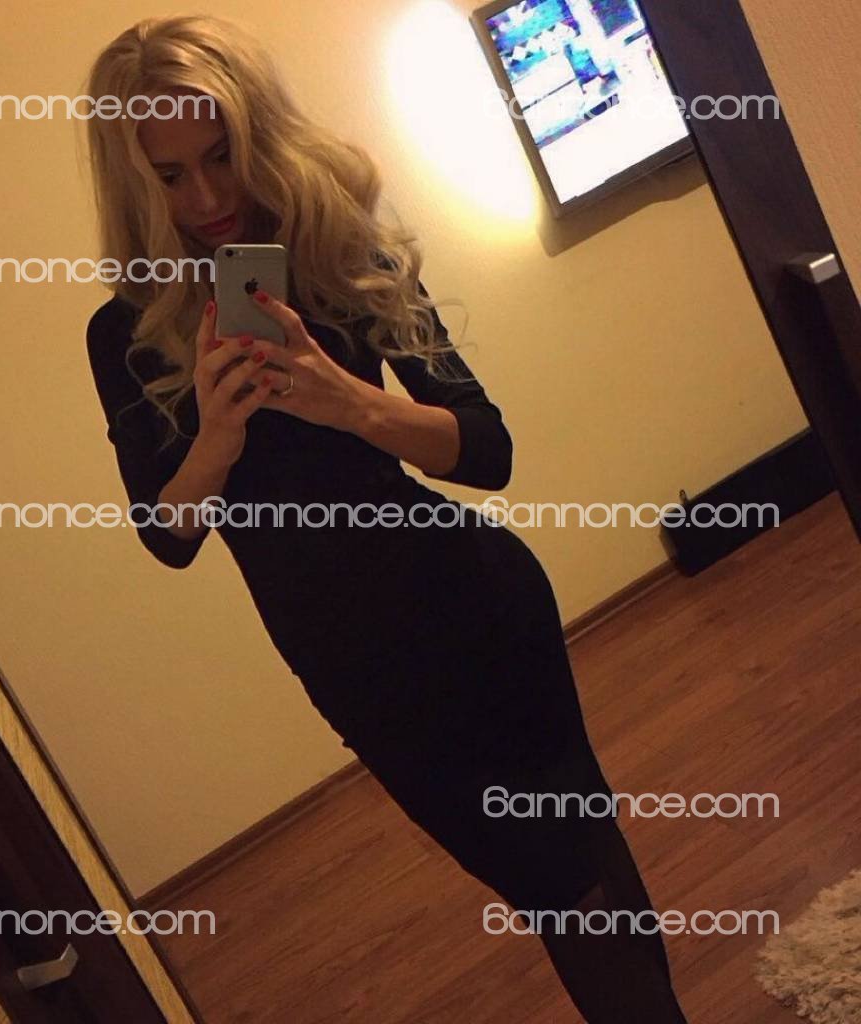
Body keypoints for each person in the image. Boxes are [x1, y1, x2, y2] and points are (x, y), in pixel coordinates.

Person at [83, 15, 689, 1022]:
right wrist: (217, 437)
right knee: (556, 871)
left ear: (259, 134)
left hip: (475, 608)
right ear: (135, 183)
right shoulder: (126, 334)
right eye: (172, 175)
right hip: (351, 670)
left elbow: (485, 449)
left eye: (224, 155)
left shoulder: (337, 250)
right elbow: (167, 535)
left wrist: (350, 404)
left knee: (566, 861)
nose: (209, 198)